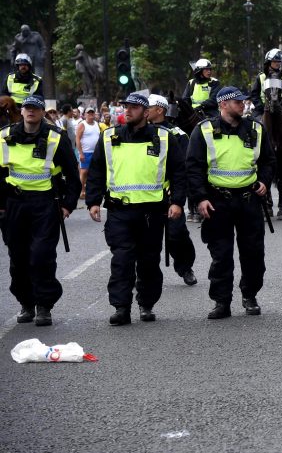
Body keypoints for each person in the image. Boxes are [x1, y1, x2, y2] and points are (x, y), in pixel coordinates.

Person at [85, 93, 186, 325]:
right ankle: (121, 307)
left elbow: (178, 172)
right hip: (120, 211)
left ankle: (146, 304)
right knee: (122, 260)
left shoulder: (164, 137)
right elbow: (97, 171)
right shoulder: (109, 137)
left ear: (146, 112)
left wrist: (177, 202)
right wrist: (93, 201)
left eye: (133, 107)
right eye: (125, 107)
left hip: (152, 212)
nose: (127, 111)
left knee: (149, 261)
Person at [186, 86, 276, 319]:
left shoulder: (256, 129)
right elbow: (194, 167)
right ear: (223, 105)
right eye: (237, 102)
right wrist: (200, 198)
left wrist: (265, 181)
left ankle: (250, 296)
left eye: (243, 102)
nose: (242, 105)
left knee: (254, 253)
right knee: (221, 255)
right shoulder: (204, 130)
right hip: (218, 201)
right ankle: (221, 301)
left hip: (249, 200)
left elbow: (268, 160)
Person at [0, 95, 80, 327]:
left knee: (42, 256)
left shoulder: (56, 137)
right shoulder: (4, 136)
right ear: (21, 111)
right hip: (14, 204)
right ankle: (26, 303)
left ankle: (44, 305)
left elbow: (72, 176)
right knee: (18, 257)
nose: (30, 111)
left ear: (43, 112)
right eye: (27, 108)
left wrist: (67, 205)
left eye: (35, 108)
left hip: (45, 204)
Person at [146, 95, 197, 286]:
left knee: (177, 234)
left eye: (148, 107)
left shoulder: (178, 135)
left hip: (170, 194)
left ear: (159, 109)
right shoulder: (139, 132)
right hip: (145, 195)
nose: (144, 110)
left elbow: (183, 167)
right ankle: (144, 273)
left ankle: (185, 267)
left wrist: (178, 193)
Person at [250, 49, 282, 119]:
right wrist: (261, 106)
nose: (278, 63)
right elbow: (254, 94)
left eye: (279, 61)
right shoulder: (261, 77)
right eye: (275, 61)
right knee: (252, 124)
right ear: (269, 62)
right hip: (262, 110)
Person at [76, 108, 102, 199]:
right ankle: (82, 190)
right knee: (84, 172)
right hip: (85, 152)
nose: (91, 114)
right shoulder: (82, 124)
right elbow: (77, 139)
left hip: (95, 152)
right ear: (85, 114)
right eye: (88, 112)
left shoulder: (97, 124)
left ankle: (90, 190)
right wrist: (81, 153)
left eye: (92, 112)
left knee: (93, 172)